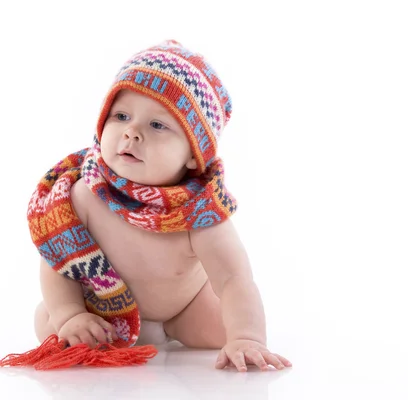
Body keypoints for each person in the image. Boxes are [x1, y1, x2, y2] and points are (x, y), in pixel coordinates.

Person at [28, 40, 292, 372]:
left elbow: (233, 279)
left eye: (157, 125)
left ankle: (169, 329)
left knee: (223, 330)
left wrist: (247, 337)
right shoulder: (84, 194)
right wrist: (70, 313)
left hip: (183, 307)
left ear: (194, 156)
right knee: (50, 324)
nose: (132, 132)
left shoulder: (200, 212)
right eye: (121, 116)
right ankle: (81, 320)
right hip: (102, 310)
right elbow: (57, 259)